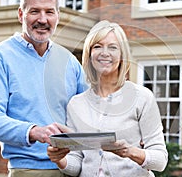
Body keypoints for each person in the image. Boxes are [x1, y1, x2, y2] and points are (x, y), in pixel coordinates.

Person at [0, 0, 87, 177]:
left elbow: (90, 112)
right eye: (35, 11)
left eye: (49, 12)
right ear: (21, 14)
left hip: (72, 168)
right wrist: (34, 131)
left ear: (58, 16)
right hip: (29, 170)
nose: (43, 19)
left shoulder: (69, 61)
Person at [47, 20, 168, 176]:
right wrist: (60, 159)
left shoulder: (142, 97)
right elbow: (77, 164)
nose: (105, 53)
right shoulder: (76, 104)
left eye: (113, 47)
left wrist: (129, 152)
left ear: (122, 55)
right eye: (97, 46)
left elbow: (160, 160)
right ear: (89, 54)